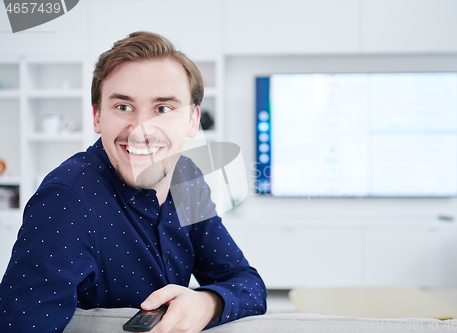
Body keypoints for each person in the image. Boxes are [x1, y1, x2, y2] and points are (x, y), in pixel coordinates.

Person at [0, 31, 267, 332]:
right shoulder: (67, 200)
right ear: (98, 116)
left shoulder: (186, 177)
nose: (141, 130)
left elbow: (248, 283)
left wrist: (206, 303)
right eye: (123, 107)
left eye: (163, 109)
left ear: (193, 120)